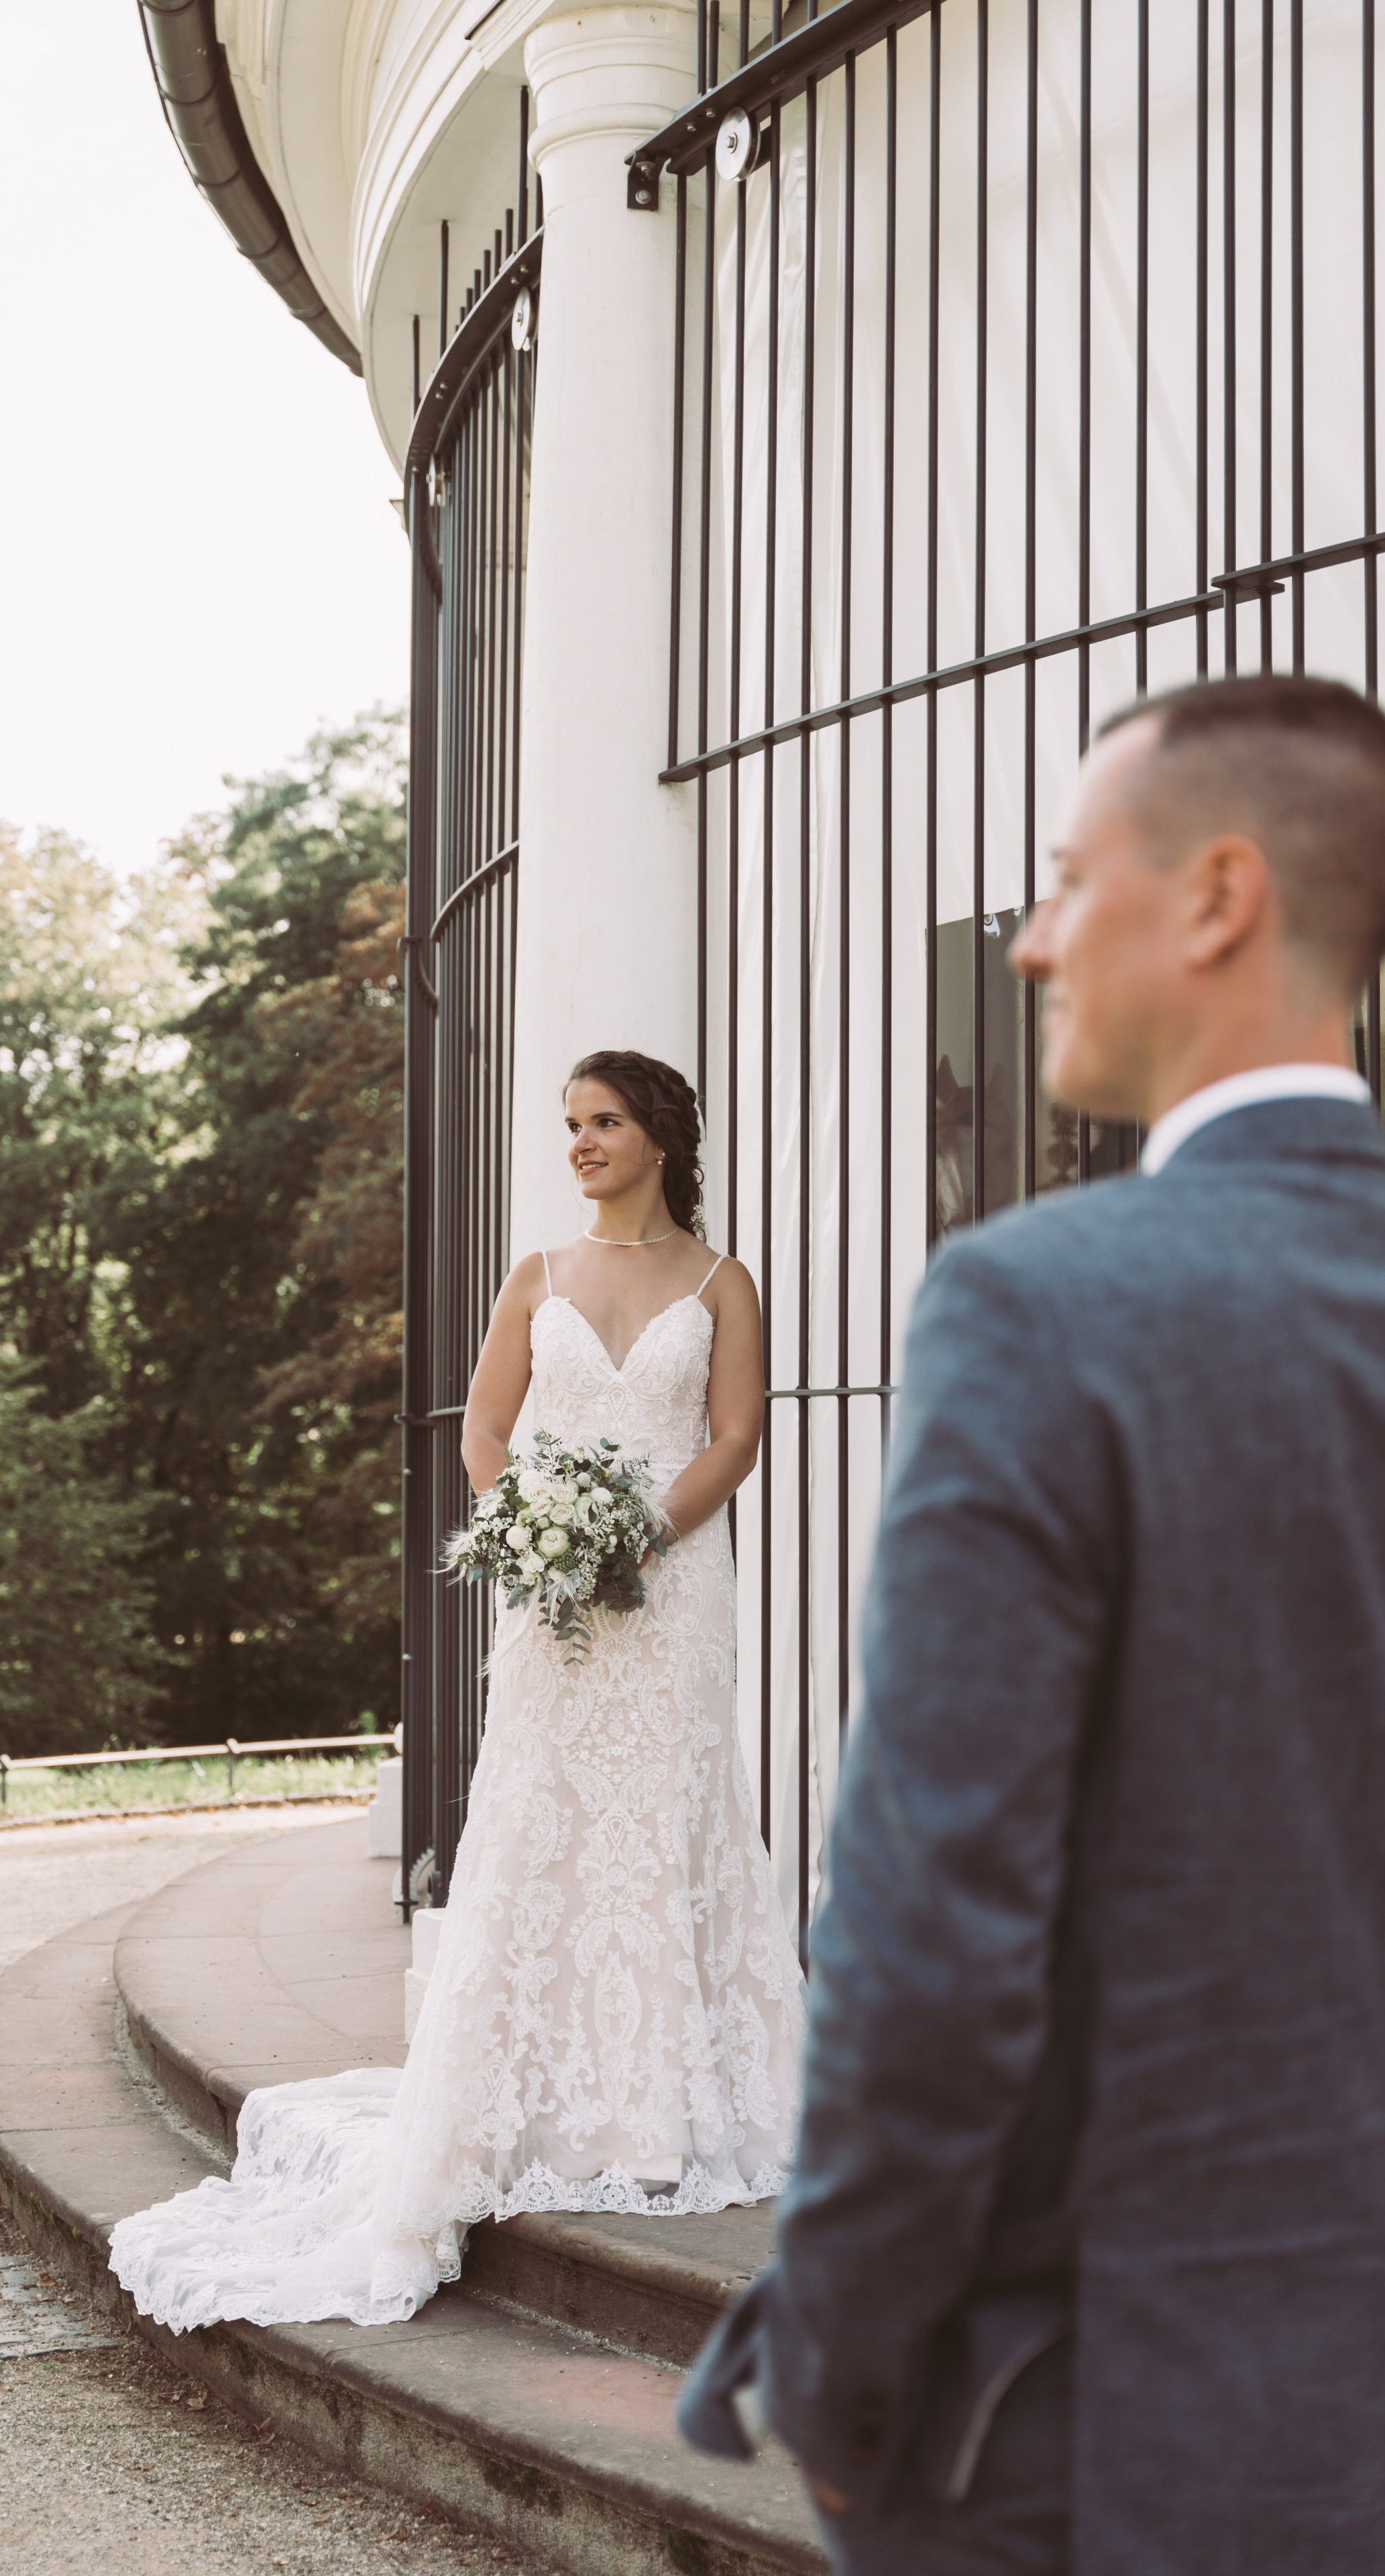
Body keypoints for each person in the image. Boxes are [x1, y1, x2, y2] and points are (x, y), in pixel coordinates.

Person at [679, 672, 1385, 2575]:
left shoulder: (1042, 1308)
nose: (1031, 932)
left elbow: (933, 1925)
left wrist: (834, 2364)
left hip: (1140, 2414)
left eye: (1071, 877)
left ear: (1221, 895)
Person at [109, 1048, 804, 2333]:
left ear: (659, 1134)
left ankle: (664, 2110)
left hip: (672, 1591)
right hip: (552, 1604)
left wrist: (636, 1535)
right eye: (571, 1125)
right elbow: (485, 1430)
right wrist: (531, 1527)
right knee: (543, 1819)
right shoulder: (535, 1274)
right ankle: (526, 2097)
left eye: (604, 1123)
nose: (581, 1143)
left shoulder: (720, 1281)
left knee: (667, 1815)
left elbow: (736, 1435)